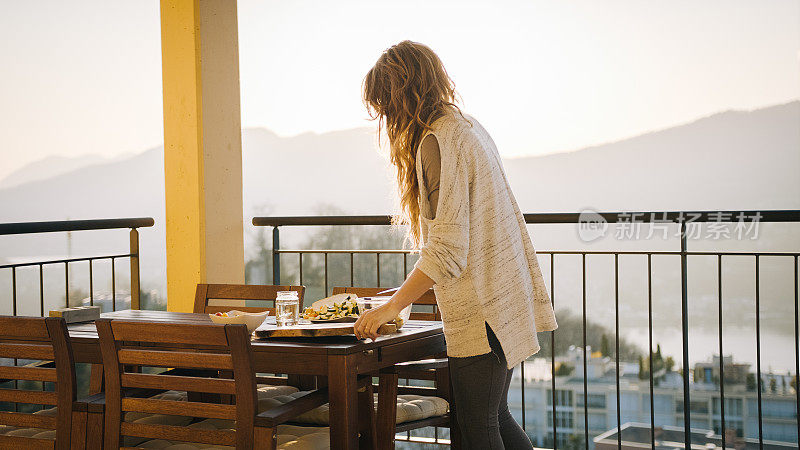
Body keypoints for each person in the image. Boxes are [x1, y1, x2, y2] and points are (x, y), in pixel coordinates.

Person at [355, 40, 558, 449]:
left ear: (401, 96)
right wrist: (403, 294)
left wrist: (394, 306)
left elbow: (447, 247)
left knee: (478, 425)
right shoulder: (466, 126)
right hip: (504, 295)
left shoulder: (437, 141)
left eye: (385, 105)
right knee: (494, 418)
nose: (386, 118)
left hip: (482, 309)